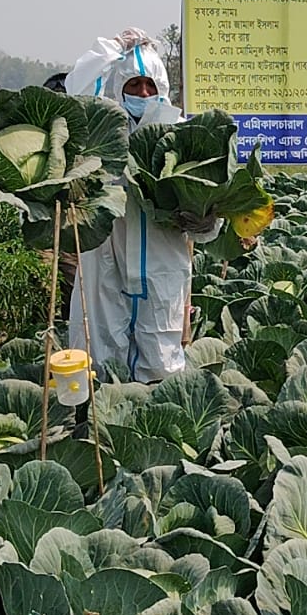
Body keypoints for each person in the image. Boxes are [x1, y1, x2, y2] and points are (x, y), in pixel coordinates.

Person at [65, 28, 221, 382]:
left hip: (162, 258)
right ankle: (98, 424)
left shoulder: (182, 133)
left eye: (150, 85)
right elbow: (76, 88)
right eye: (133, 85)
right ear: (118, 86)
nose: (143, 93)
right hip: (104, 254)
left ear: (162, 87)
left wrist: (206, 222)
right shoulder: (97, 129)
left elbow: (213, 199)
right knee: (99, 349)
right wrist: (112, 48)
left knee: (162, 354)